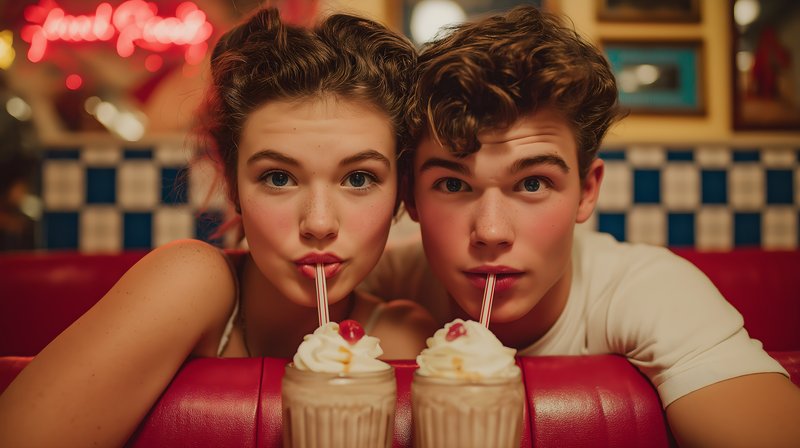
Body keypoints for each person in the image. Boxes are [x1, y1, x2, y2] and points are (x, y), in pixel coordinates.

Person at [359, 5, 800, 446]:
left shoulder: (647, 290)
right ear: (411, 196)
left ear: (587, 191)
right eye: (453, 184)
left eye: (533, 183)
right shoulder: (382, 281)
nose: (491, 232)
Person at [0, 7, 436, 447]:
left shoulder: (407, 340)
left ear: (400, 193)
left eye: (359, 179)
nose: (319, 223)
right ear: (232, 186)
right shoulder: (189, 280)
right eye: (278, 178)